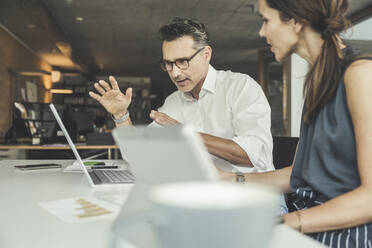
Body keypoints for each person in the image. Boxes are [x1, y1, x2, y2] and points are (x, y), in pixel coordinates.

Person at [220, 0, 372, 247]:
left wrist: (282, 223)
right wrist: (229, 180)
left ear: (297, 21)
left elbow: (370, 198)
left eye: (266, 20)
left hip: (346, 237)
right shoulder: (317, 83)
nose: (261, 32)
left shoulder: (361, 74)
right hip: (312, 229)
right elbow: (299, 175)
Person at [89, 17, 274, 173]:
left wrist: (188, 135)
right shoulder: (173, 103)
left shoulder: (241, 87)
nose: (175, 73)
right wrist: (121, 116)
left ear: (206, 54)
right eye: (168, 64)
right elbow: (141, 158)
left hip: (256, 194)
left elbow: (254, 156)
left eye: (183, 61)